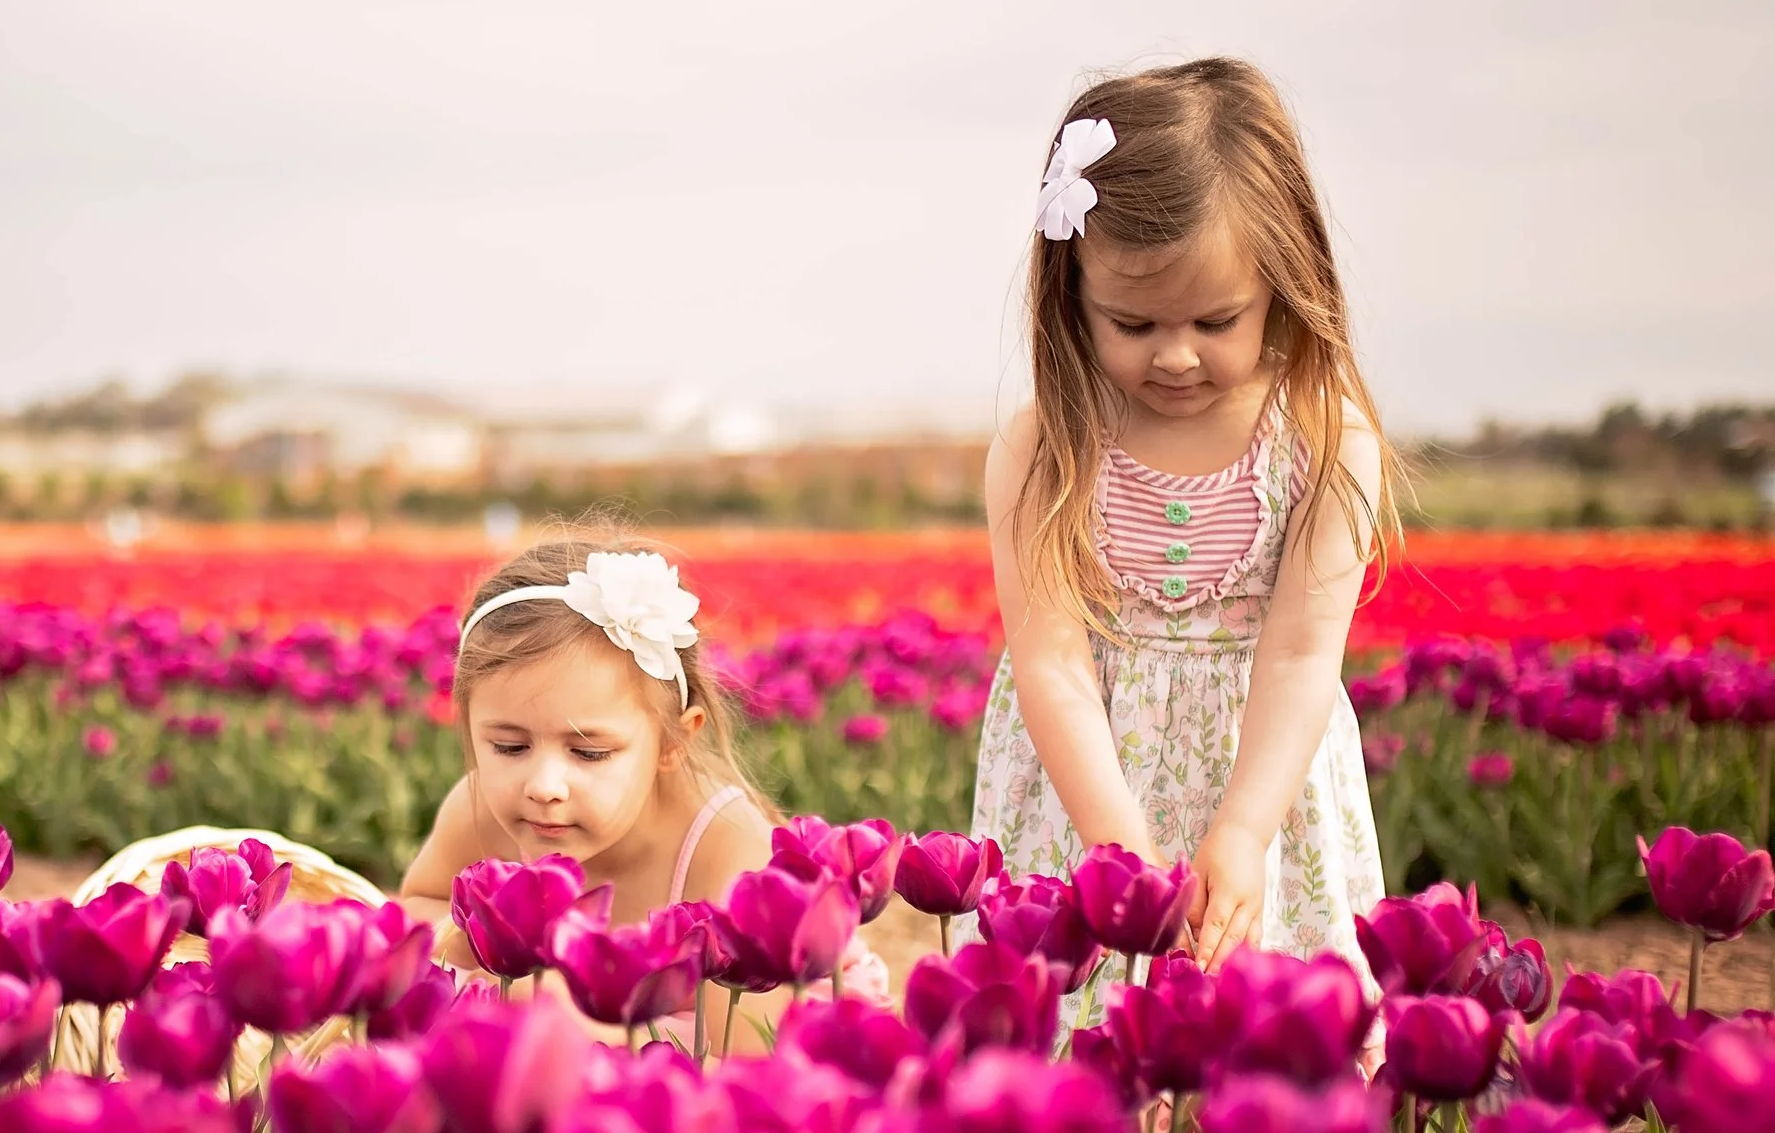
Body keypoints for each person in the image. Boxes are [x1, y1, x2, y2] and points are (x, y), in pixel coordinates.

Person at [963, 57, 1397, 1024]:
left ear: (1287, 284)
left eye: (1216, 319)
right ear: (1069, 293)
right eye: (1133, 321)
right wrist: (1115, 847)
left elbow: (1297, 657)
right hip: (1086, 792)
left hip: (1264, 792)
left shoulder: (1324, 442)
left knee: (1262, 1047)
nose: (1175, 353)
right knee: (1085, 1049)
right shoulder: (1046, 444)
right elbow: (1052, 660)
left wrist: (1243, 829)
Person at [398, 529, 887, 1051]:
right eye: (509, 747)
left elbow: (745, 1054)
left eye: (589, 753)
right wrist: (482, 949)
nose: (543, 787)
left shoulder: (728, 849)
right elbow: (420, 904)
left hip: (717, 1045)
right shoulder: (481, 813)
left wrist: (572, 1021)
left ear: (672, 741)